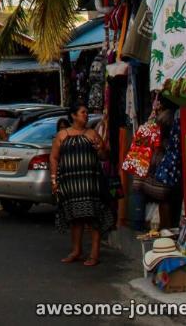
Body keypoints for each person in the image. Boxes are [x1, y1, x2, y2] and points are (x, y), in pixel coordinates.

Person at [49, 103, 113, 266]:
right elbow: (54, 158)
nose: (86, 115)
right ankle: (76, 250)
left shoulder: (92, 134)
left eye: (86, 112)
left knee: (93, 218)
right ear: (73, 116)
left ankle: (94, 254)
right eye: (83, 112)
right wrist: (54, 179)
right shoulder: (62, 135)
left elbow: (104, 157)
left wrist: (101, 149)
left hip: (90, 183)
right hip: (71, 184)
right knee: (75, 218)